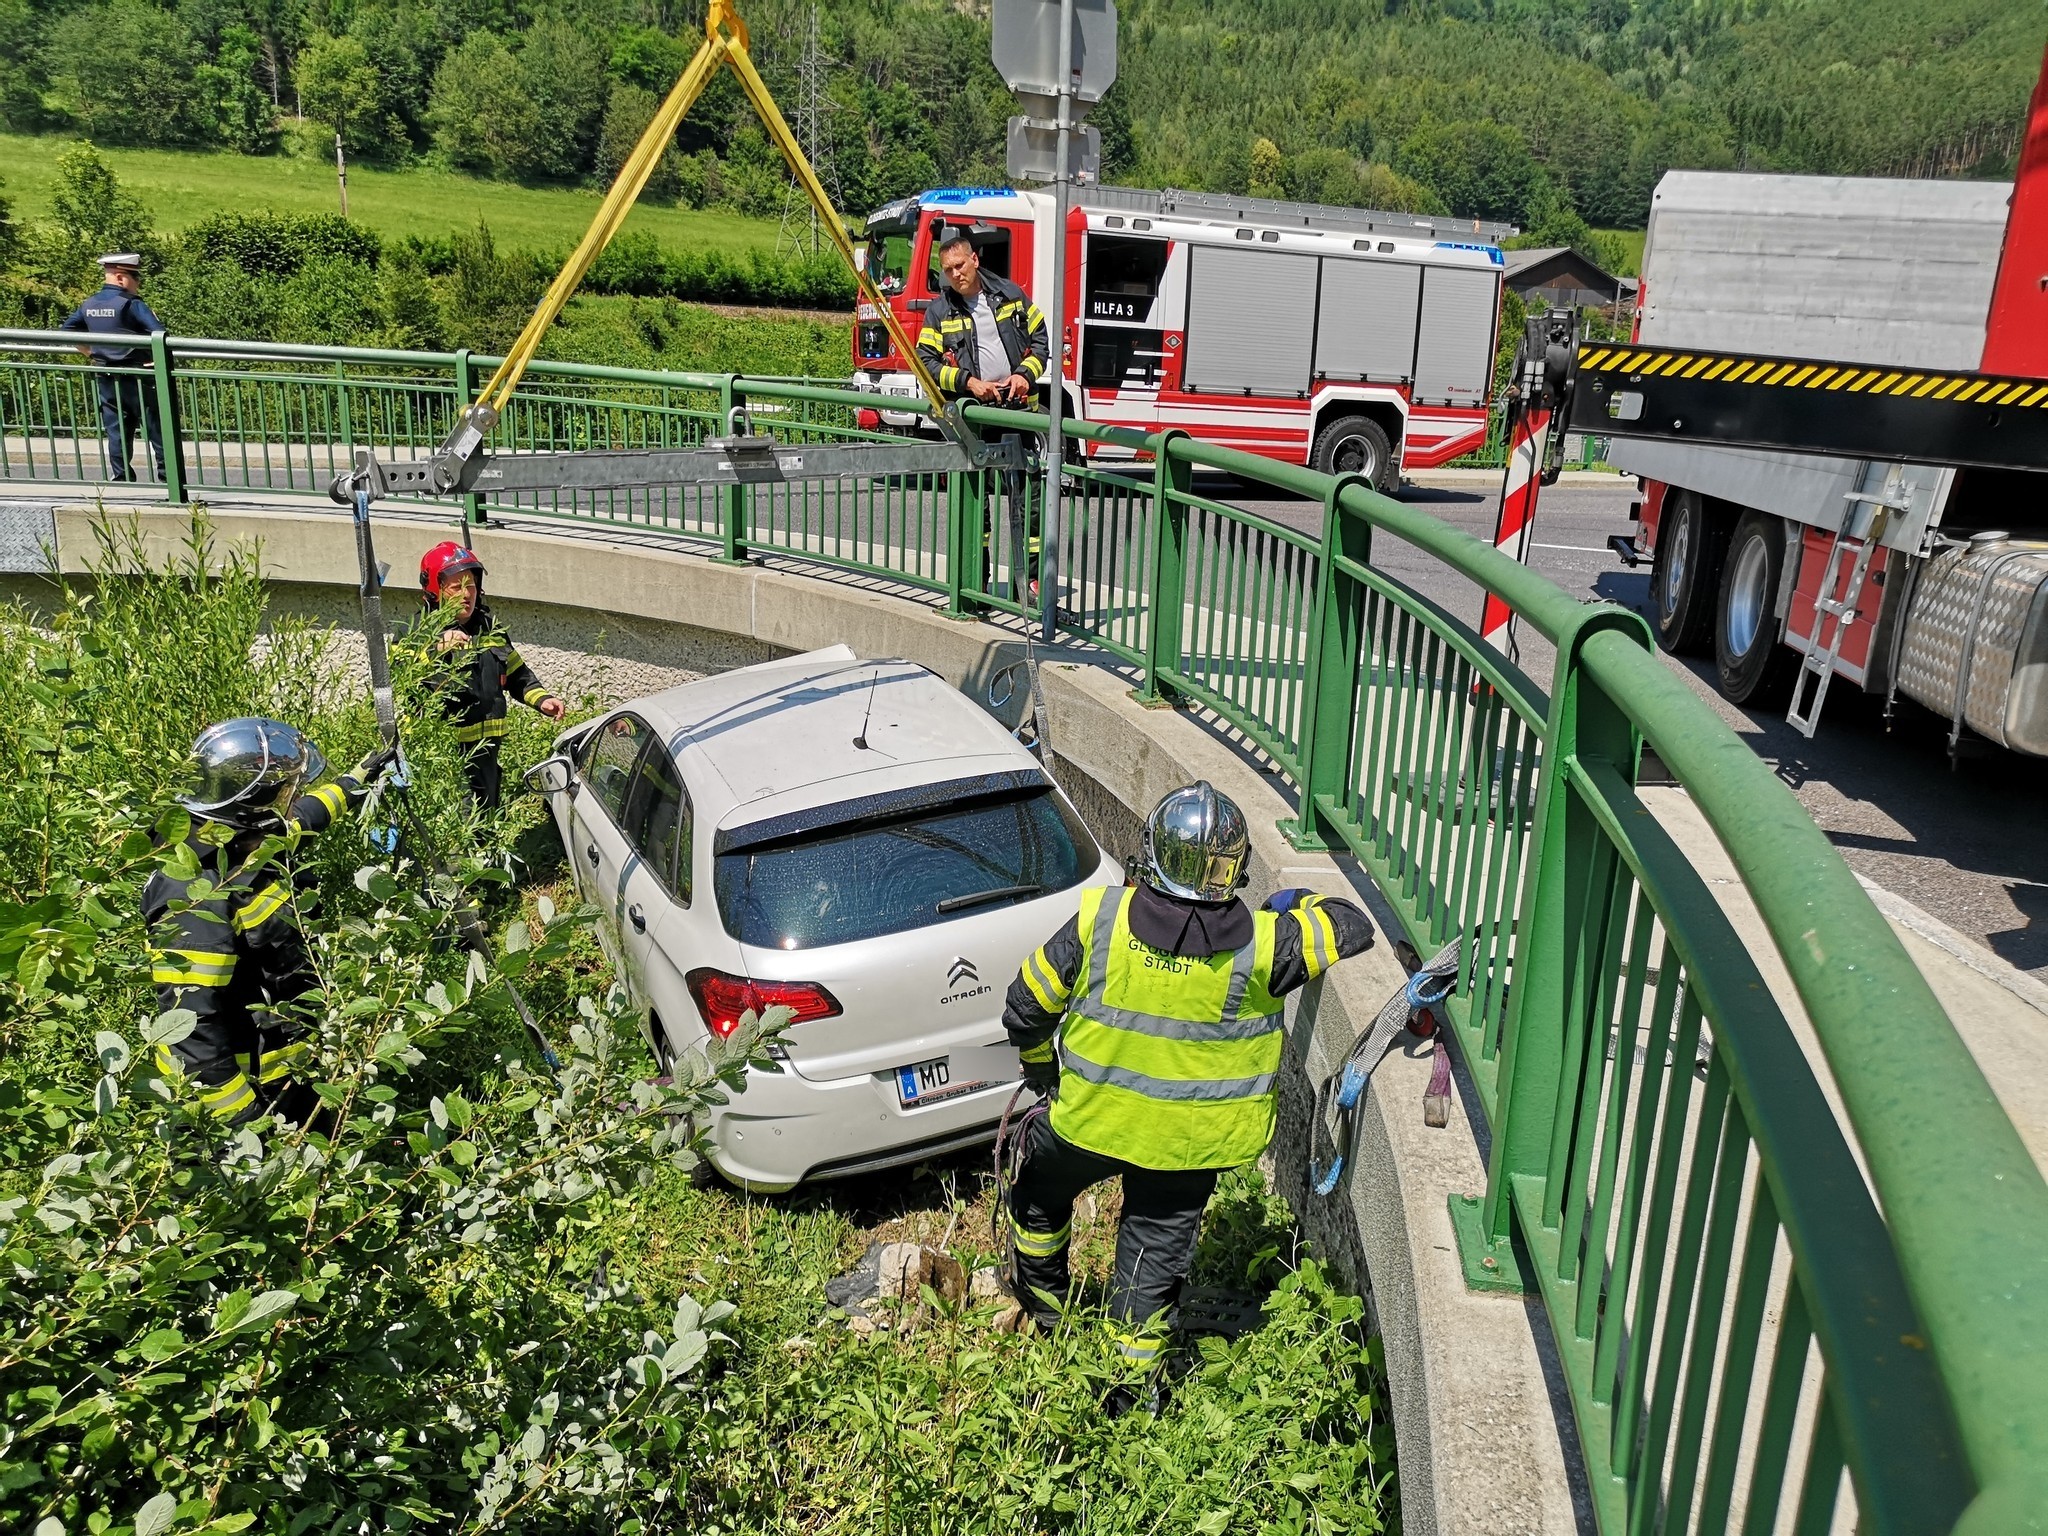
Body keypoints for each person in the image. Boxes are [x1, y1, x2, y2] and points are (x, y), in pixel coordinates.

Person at [1001, 781, 1376, 1416]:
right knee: (1150, 1260)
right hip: (1188, 1148)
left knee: (1037, 1195)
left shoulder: (1102, 919)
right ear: (1235, 867)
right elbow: (1352, 926)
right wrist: (1295, 904)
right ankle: (1127, 1398)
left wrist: (1045, 1074)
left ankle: (1046, 1319)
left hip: (1088, 1124)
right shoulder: (1266, 945)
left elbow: (1025, 1007)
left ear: (1149, 853)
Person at [144, 719, 394, 1125]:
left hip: (293, 1064)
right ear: (252, 803)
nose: (291, 800)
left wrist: (357, 780)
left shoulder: (242, 839)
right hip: (255, 1085)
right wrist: (246, 1123)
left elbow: (307, 817)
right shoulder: (192, 894)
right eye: (284, 791)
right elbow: (190, 1029)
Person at [915, 227, 1051, 599]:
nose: (955, 274)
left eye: (960, 265)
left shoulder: (1011, 295)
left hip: (1019, 414)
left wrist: (1025, 376)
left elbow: (1042, 341)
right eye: (947, 270)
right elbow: (924, 363)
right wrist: (968, 383)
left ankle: (1030, 586)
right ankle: (978, 583)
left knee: (1028, 503)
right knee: (978, 505)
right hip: (977, 417)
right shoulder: (939, 311)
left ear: (975, 259)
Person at [404, 542, 565, 810]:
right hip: (444, 756)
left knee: (485, 820)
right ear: (435, 590)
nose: (467, 594)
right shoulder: (416, 632)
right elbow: (401, 682)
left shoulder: (491, 629)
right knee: (457, 825)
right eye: (457, 587)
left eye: (471, 586)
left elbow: (517, 674)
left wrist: (543, 700)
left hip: (487, 752)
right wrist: (436, 649)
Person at [58, 253, 167, 483]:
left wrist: (90, 352)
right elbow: (160, 333)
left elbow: (66, 330)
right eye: (136, 277)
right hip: (137, 374)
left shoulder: (89, 304)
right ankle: (168, 476)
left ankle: (121, 475)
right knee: (156, 425)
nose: (138, 283)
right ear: (121, 278)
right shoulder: (131, 304)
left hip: (105, 373)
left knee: (116, 427)